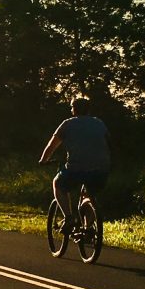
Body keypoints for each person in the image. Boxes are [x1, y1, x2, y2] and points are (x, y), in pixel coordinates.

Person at [38, 97, 111, 234]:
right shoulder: (99, 123)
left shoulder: (67, 124)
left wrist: (43, 160)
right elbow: (109, 142)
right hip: (101, 169)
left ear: (74, 109)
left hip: (76, 168)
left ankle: (68, 217)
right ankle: (88, 227)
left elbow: (51, 146)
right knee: (90, 195)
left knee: (58, 184)